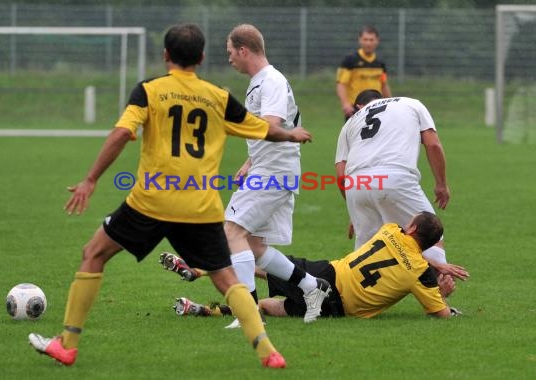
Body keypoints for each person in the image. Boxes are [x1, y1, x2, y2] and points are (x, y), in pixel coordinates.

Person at [27, 23, 315, 369]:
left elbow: (121, 133)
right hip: (199, 205)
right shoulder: (217, 96)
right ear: (202, 57)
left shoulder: (149, 90)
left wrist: (90, 179)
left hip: (151, 201)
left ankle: (67, 344)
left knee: (93, 254)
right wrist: (290, 135)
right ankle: (269, 353)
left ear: (166, 56)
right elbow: (263, 128)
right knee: (226, 277)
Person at [215, 23, 330, 326]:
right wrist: (249, 161)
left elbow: (271, 125)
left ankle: (249, 312)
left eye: (230, 53)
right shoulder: (259, 81)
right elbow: (265, 131)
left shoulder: (272, 81)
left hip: (274, 173)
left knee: (230, 233)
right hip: (267, 169)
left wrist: (288, 136)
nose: (229, 59)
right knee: (251, 245)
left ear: (243, 50)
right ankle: (311, 286)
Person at [167, 212, 468, 319]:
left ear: (411, 229)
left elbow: (403, 248)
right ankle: (204, 310)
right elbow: (440, 313)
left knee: (268, 263)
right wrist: (443, 292)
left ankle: (200, 269)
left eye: (410, 222)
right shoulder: (421, 272)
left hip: (327, 277)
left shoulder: (390, 230)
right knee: (270, 306)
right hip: (337, 310)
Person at [335, 89, 455, 275]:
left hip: (356, 184)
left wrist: (354, 208)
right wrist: (441, 184)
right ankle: (440, 296)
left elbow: (341, 173)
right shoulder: (411, 103)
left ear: (359, 105)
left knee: (366, 254)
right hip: (394, 178)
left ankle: (353, 301)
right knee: (430, 232)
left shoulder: (351, 121)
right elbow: (432, 144)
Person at [336, 25, 392, 120]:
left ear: (377, 41)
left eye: (371, 40)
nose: (368, 43)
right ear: (360, 40)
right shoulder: (350, 60)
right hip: (356, 108)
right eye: (365, 39)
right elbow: (341, 84)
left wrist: (390, 103)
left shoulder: (380, 63)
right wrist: (345, 104)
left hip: (377, 107)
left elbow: (383, 84)